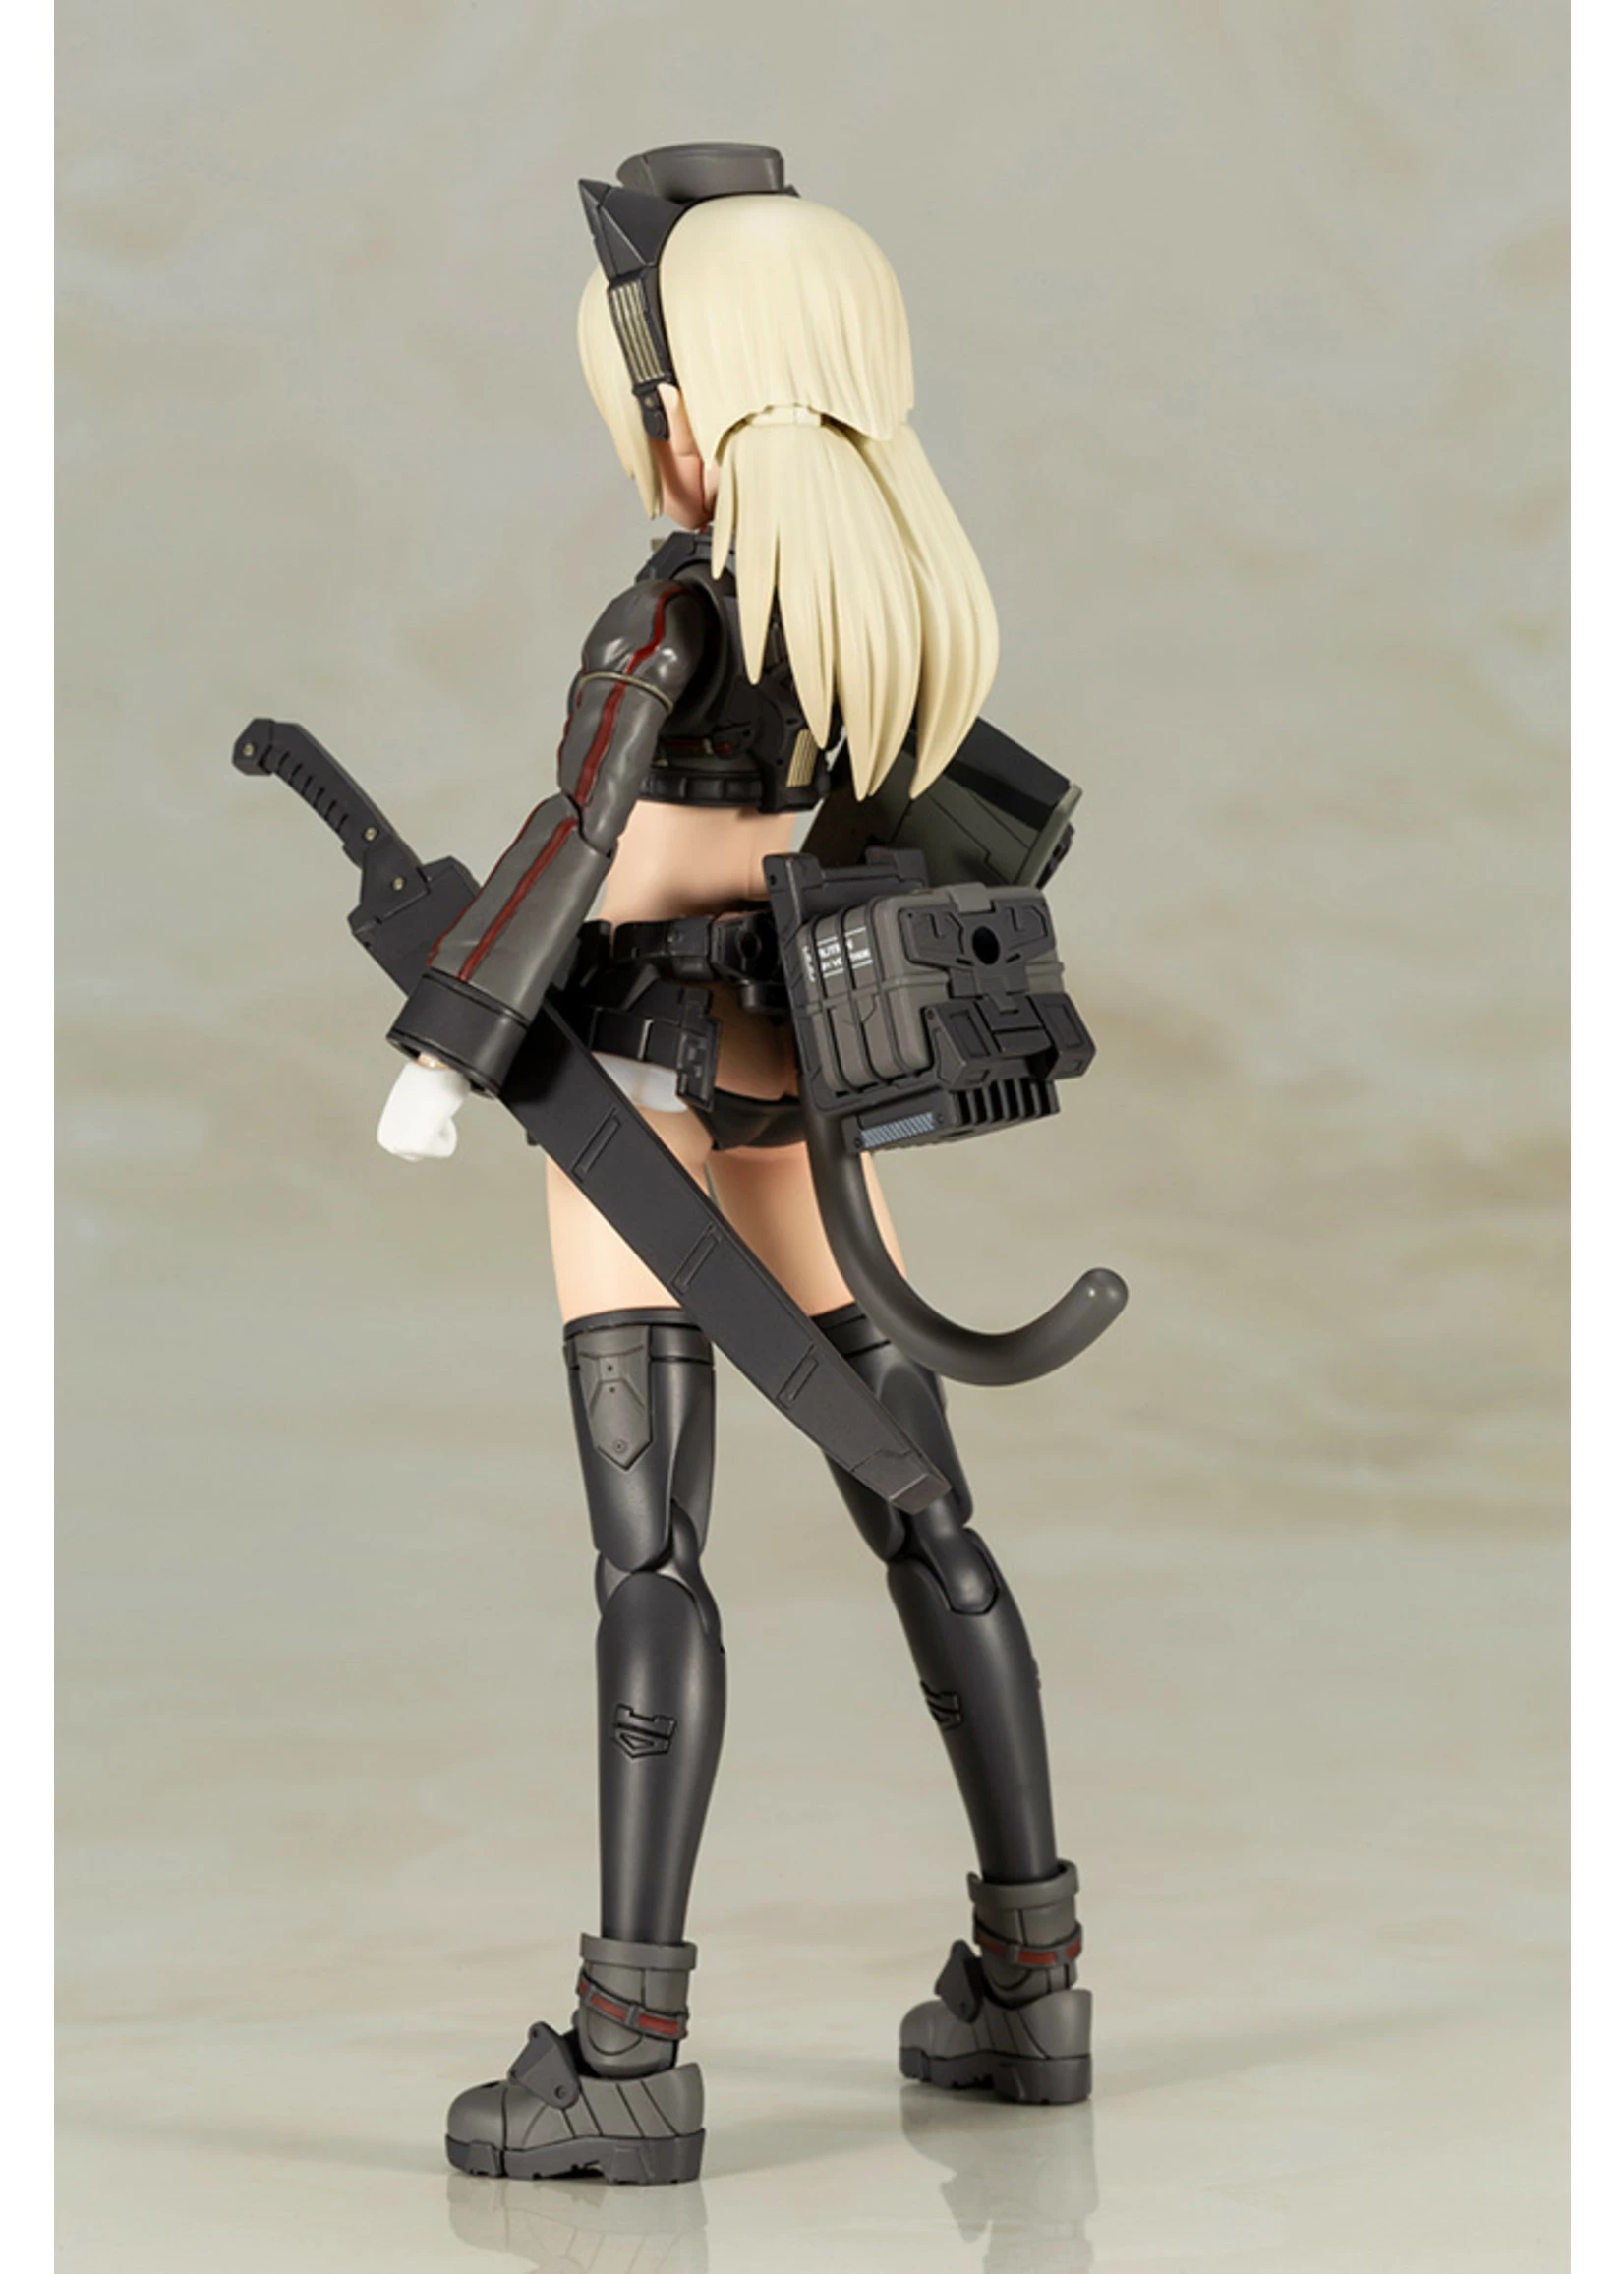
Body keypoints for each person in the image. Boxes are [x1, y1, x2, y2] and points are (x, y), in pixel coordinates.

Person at [376, 145, 1092, 2186]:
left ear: (685, 414)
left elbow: (575, 841)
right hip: (804, 1076)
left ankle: (626, 2052)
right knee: (925, 1514)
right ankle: (1034, 1983)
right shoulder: (878, 593)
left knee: (653, 1561)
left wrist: (448, 1046)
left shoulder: (681, 608)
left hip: (639, 1090)